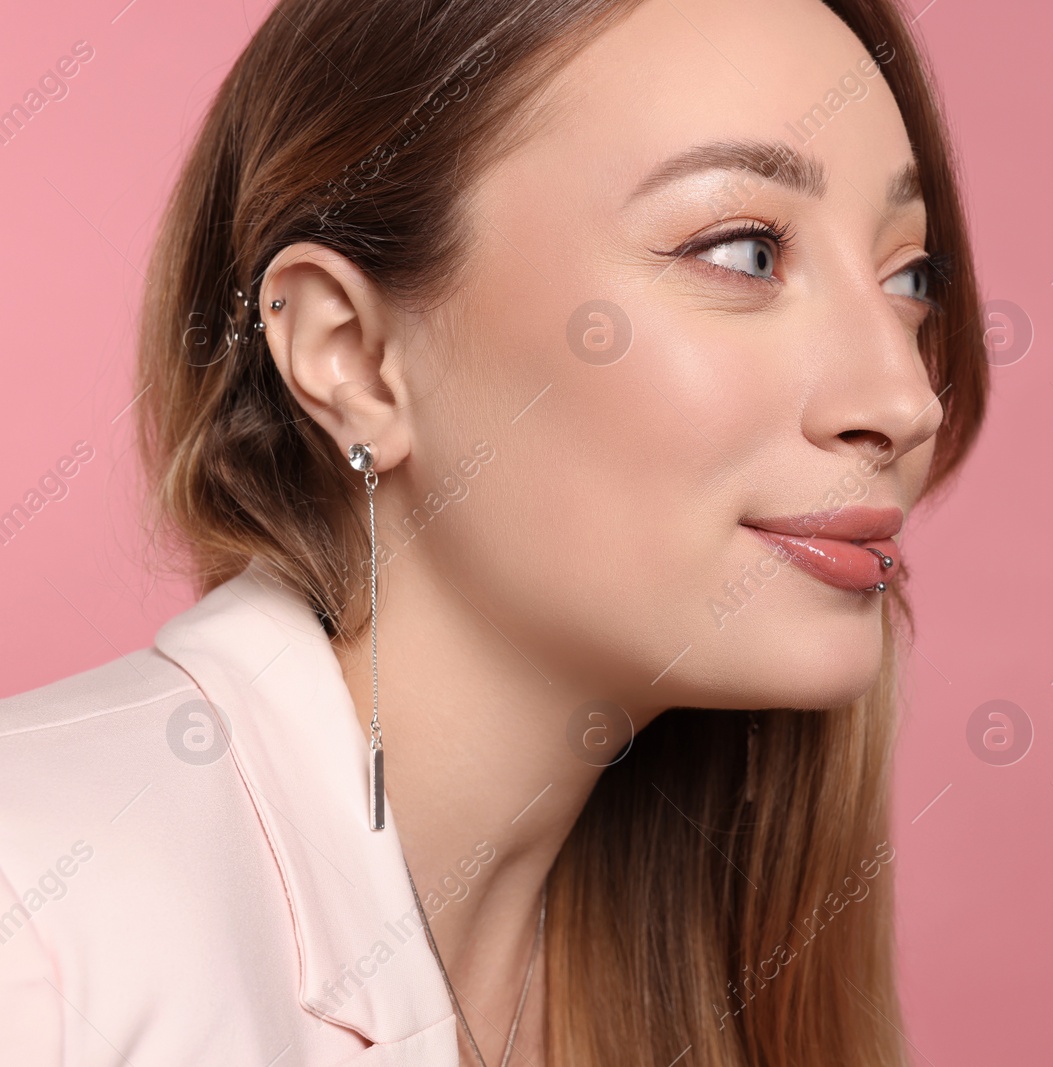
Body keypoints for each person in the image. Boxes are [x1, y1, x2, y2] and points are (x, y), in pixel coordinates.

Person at [0, 0, 987, 1062]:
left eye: (910, 278)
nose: (905, 397)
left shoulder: (688, 969)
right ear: (352, 353)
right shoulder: (38, 927)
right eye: (743, 251)